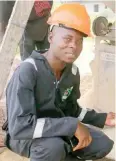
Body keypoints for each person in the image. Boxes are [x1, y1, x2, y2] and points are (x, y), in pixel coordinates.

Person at [4, 3, 115, 161]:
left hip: (57, 129)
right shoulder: (28, 71)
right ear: (51, 37)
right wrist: (71, 126)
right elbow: (20, 127)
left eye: (79, 41)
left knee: (103, 144)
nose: (73, 46)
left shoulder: (72, 72)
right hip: (25, 136)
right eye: (68, 38)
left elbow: (72, 109)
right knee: (54, 148)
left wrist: (100, 118)